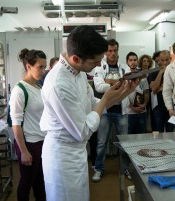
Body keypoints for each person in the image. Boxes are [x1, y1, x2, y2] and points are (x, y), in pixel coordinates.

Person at [40, 26, 139, 201]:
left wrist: (122, 93)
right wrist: (105, 98)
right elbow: (83, 131)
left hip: (76, 152)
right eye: (95, 62)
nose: (99, 65)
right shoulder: (59, 84)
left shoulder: (77, 71)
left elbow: (93, 103)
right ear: (76, 58)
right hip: (63, 155)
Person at [9, 48, 47, 201]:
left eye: (44, 67)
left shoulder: (38, 87)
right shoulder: (20, 90)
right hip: (29, 144)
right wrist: (24, 151)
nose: (43, 71)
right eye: (40, 67)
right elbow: (16, 125)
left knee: (40, 183)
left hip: (42, 141)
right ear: (28, 66)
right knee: (26, 182)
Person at [92, 39, 131, 182]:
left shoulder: (125, 68)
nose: (112, 53)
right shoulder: (99, 68)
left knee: (124, 143)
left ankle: (125, 168)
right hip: (105, 111)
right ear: (105, 53)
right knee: (102, 142)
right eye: (109, 51)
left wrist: (109, 82)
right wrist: (118, 83)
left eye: (115, 50)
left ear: (118, 51)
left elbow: (127, 86)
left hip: (122, 111)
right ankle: (99, 169)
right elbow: (98, 87)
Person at [149, 50, 174, 132]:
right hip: (158, 107)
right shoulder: (154, 72)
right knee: (158, 132)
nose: (164, 62)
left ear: (170, 59)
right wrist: (160, 73)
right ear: (159, 60)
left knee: (170, 132)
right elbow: (154, 88)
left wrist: (162, 88)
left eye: (167, 60)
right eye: (162, 60)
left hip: (171, 106)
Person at [126, 52, 149, 134]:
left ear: (137, 61)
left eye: (135, 60)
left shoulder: (142, 76)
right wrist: (132, 107)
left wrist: (144, 104)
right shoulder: (125, 76)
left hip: (141, 112)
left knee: (141, 138)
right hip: (128, 113)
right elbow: (123, 95)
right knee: (128, 138)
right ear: (127, 62)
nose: (133, 62)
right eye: (130, 60)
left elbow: (146, 92)